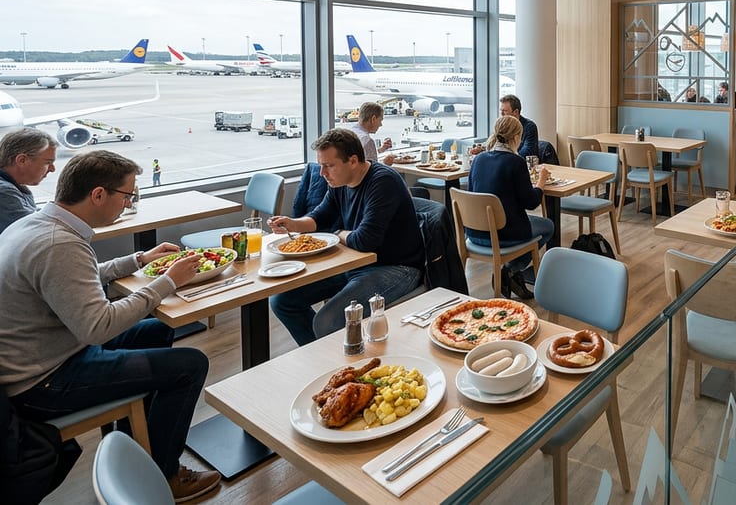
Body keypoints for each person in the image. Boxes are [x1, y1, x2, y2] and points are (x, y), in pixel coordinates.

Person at [0, 150, 219, 501]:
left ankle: (136, 442)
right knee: (191, 365)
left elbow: (74, 281)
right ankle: (165, 475)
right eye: (128, 195)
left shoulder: (39, 225)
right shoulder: (59, 244)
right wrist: (167, 283)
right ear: (98, 194)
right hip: (44, 382)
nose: (130, 204)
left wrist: (139, 260)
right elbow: (98, 328)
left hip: (45, 355)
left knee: (157, 330)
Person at [269, 128, 425, 345]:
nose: (322, 173)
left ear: (353, 161)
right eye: (321, 165)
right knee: (282, 301)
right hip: (354, 263)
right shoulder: (338, 182)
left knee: (327, 321)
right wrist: (293, 224)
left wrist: (338, 233)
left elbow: (365, 240)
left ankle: (331, 359)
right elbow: (320, 216)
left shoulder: (383, 181)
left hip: (397, 267)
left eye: (329, 165)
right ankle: (325, 358)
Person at [465, 115, 553, 299]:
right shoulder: (516, 162)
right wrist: (541, 182)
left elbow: (472, 193)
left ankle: (511, 273)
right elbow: (531, 203)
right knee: (547, 226)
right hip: (503, 235)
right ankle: (512, 269)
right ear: (516, 138)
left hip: (474, 235)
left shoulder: (479, 160)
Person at [0, 128, 57, 234]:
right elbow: (37, 230)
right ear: (22, 160)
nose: (52, 169)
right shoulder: (4, 193)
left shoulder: (14, 187)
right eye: (47, 162)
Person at [350, 101, 396, 166]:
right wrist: (385, 164)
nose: (381, 124)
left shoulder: (351, 132)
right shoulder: (367, 140)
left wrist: (381, 149)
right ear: (373, 119)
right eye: (380, 120)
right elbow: (372, 172)